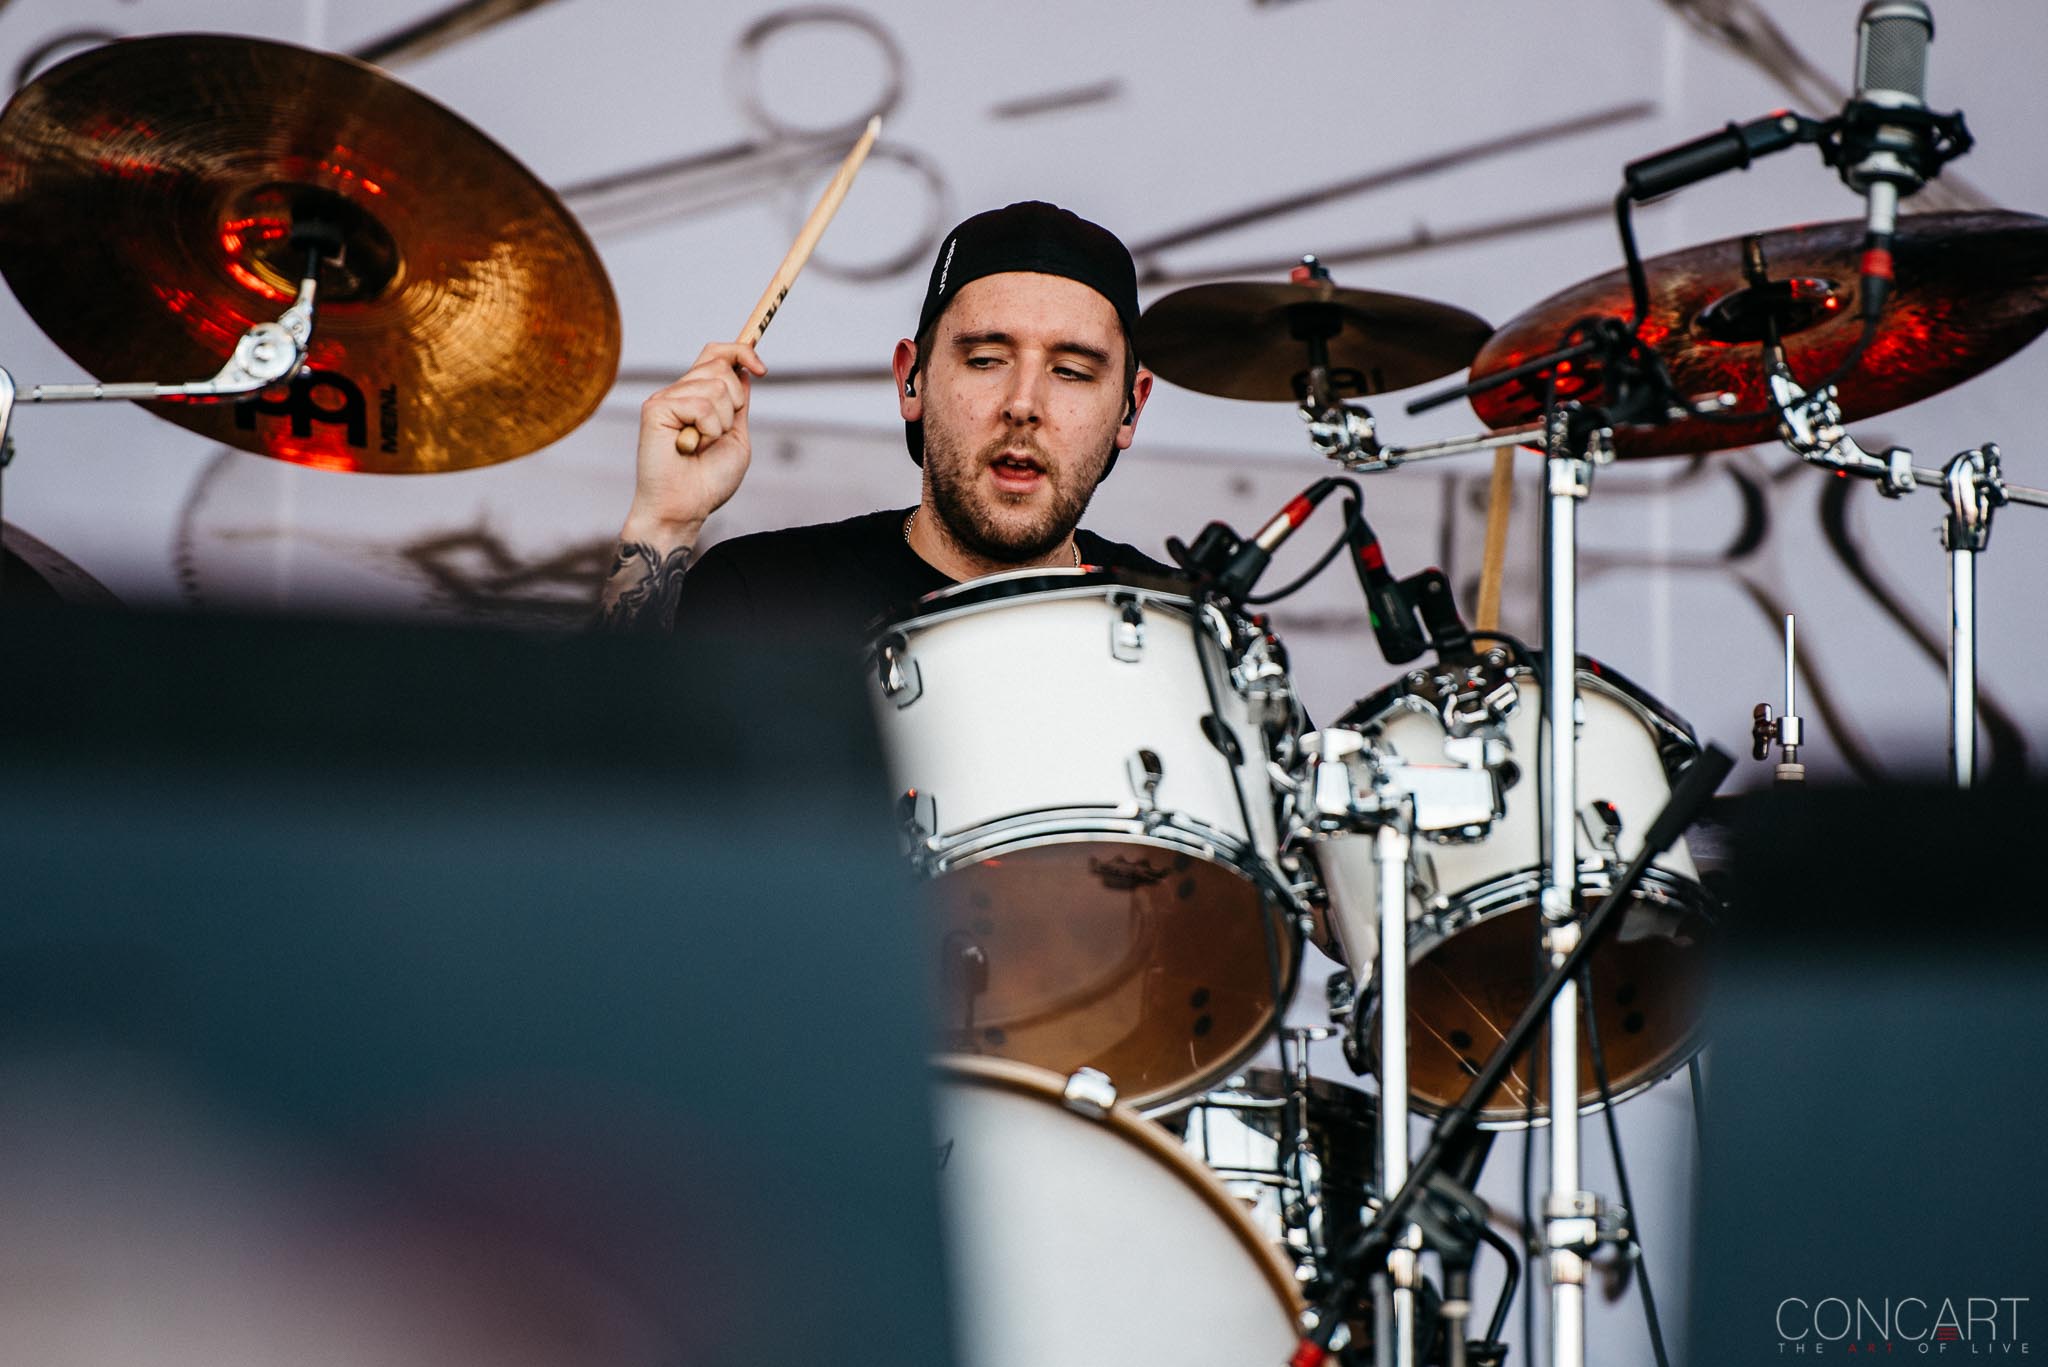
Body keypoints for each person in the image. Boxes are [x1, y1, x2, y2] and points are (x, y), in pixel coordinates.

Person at [593, 201, 1172, 640]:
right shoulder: (762, 595)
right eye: (986, 360)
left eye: (1071, 371)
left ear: (1131, 406)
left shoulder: (1178, 632)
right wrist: (662, 525)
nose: (1023, 403)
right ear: (910, 379)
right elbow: (598, 780)